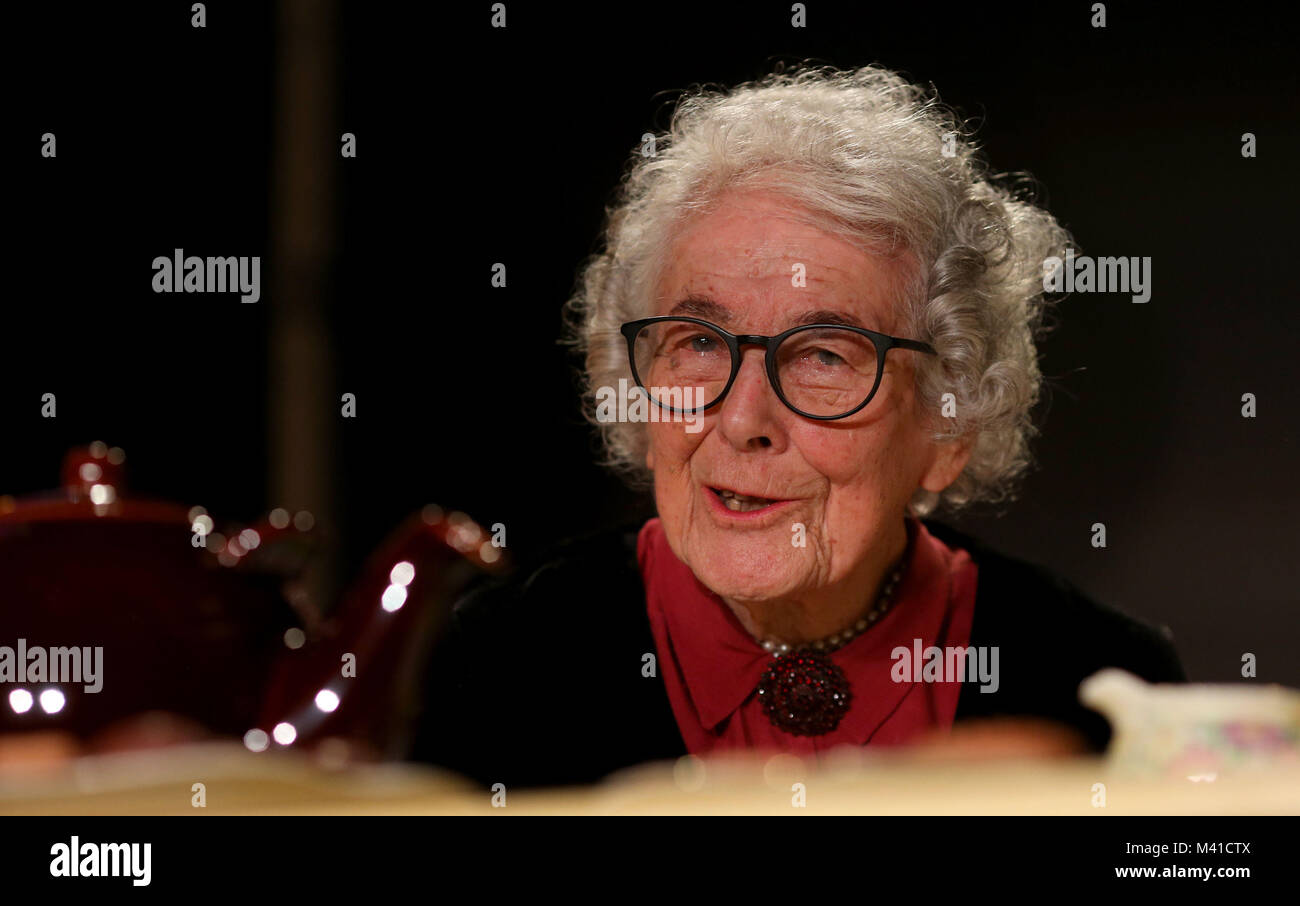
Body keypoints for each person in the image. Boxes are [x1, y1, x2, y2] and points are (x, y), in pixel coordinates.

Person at [410, 65, 1184, 789]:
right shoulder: (479, 668)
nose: (745, 420)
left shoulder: (1106, 688)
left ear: (948, 426)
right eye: (700, 344)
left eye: (823, 356)